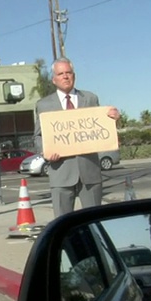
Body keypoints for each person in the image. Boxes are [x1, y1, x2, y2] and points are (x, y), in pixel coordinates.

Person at [33, 57, 120, 218]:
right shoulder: (43, 105)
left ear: (74, 75)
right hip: (60, 173)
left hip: (90, 173)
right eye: (61, 74)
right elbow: (37, 137)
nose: (65, 76)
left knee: (95, 222)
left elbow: (101, 128)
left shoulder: (90, 98)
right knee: (62, 224)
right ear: (54, 79)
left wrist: (113, 119)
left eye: (68, 73)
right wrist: (45, 152)